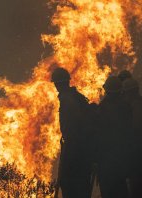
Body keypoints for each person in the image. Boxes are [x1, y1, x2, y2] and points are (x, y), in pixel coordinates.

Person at [51, 67, 93, 198]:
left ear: (59, 84)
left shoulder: (68, 101)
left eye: (56, 83)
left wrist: (70, 147)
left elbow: (73, 128)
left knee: (69, 184)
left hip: (75, 148)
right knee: (81, 184)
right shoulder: (76, 97)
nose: (56, 86)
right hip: (83, 148)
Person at [97, 76, 132, 198]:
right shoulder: (126, 106)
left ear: (107, 90)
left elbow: (98, 134)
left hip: (107, 159)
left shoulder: (103, 109)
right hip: (123, 156)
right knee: (121, 189)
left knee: (109, 191)